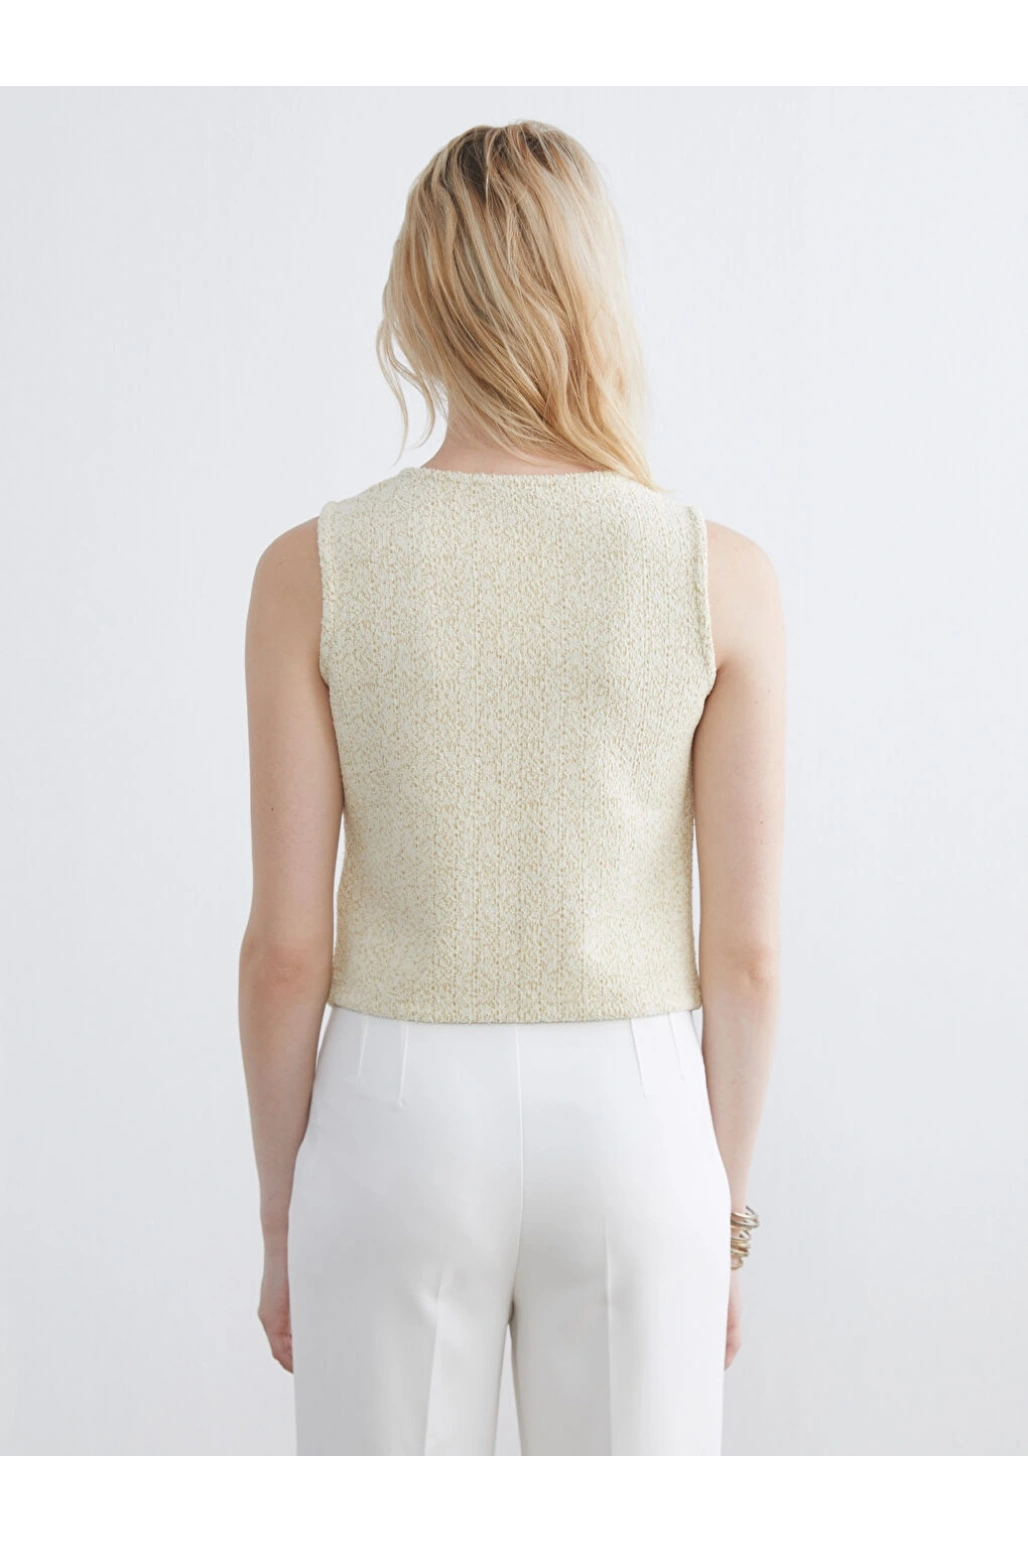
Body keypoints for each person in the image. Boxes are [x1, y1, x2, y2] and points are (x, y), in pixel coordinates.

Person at [238, 120, 785, 1457]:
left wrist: (282, 1215)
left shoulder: (313, 570)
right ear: (595, 291)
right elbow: (748, 957)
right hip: (640, 1114)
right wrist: (721, 1218)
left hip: (392, 1112)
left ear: (419, 302)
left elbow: (287, 949)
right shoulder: (720, 575)